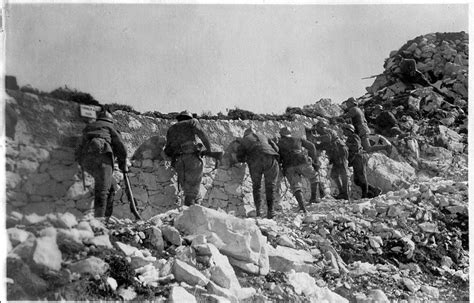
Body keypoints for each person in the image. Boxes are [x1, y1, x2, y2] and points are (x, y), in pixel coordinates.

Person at [76, 110, 127, 219]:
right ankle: (99, 221)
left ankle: (106, 217)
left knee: (111, 185)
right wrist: (123, 165)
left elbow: (79, 147)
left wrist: (82, 163)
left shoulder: (89, 127)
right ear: (110, 119)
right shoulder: (109, 126)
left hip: (87, 160)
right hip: (103, 158)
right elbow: (121, 148)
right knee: (103, 191)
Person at [164, 110, 212, 206]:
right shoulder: (192, 122)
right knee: (191, 193)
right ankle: (189, 216)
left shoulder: (171, 128)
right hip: (191, 159)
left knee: (189, 191)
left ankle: (194, 210)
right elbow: (202, 134)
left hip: (178, 161)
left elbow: (168, 149)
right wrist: (209, 150)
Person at [236, 127, 280, 219]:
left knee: (257, 186)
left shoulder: (244, 140)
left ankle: (259, 212)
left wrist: (245, 158)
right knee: (270, 186)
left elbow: (239, 156)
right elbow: (276, 149)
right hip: (270, 157)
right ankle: (271, 212)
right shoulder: (264, 136)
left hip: (255, 159)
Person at [277, 127, 320, 214]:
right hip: (302, 161)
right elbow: (312, 146)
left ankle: (302, 207)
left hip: (288, 165)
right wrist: (314, 160)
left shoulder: (279, 143)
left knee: (296, 186)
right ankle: (313, 198)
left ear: (281, 135)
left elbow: (278, 156)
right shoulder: (298, 139)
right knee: (314, 177)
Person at [307, 121, 350, 200]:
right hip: (336, 152)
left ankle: (346, 194)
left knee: (343, 171)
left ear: (321, 127)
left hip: (339, 150)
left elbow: (328, 138)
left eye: (317, 129)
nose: (317, 132)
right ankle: (342, 192)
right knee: (334, 174)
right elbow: (324, 144)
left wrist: (315, 138)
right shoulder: (324, 133)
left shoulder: (327, 131)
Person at [342, 124, 381, 199]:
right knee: (357, 180)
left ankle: (365, 195)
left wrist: (347, 145)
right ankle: (373, 190)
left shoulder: (354, 137)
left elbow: (356, 147)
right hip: (356, 159)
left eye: (345, 130)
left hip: (359, 157)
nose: (344, 132)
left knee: (362, 177)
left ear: (349, 130)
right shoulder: (349, 138)